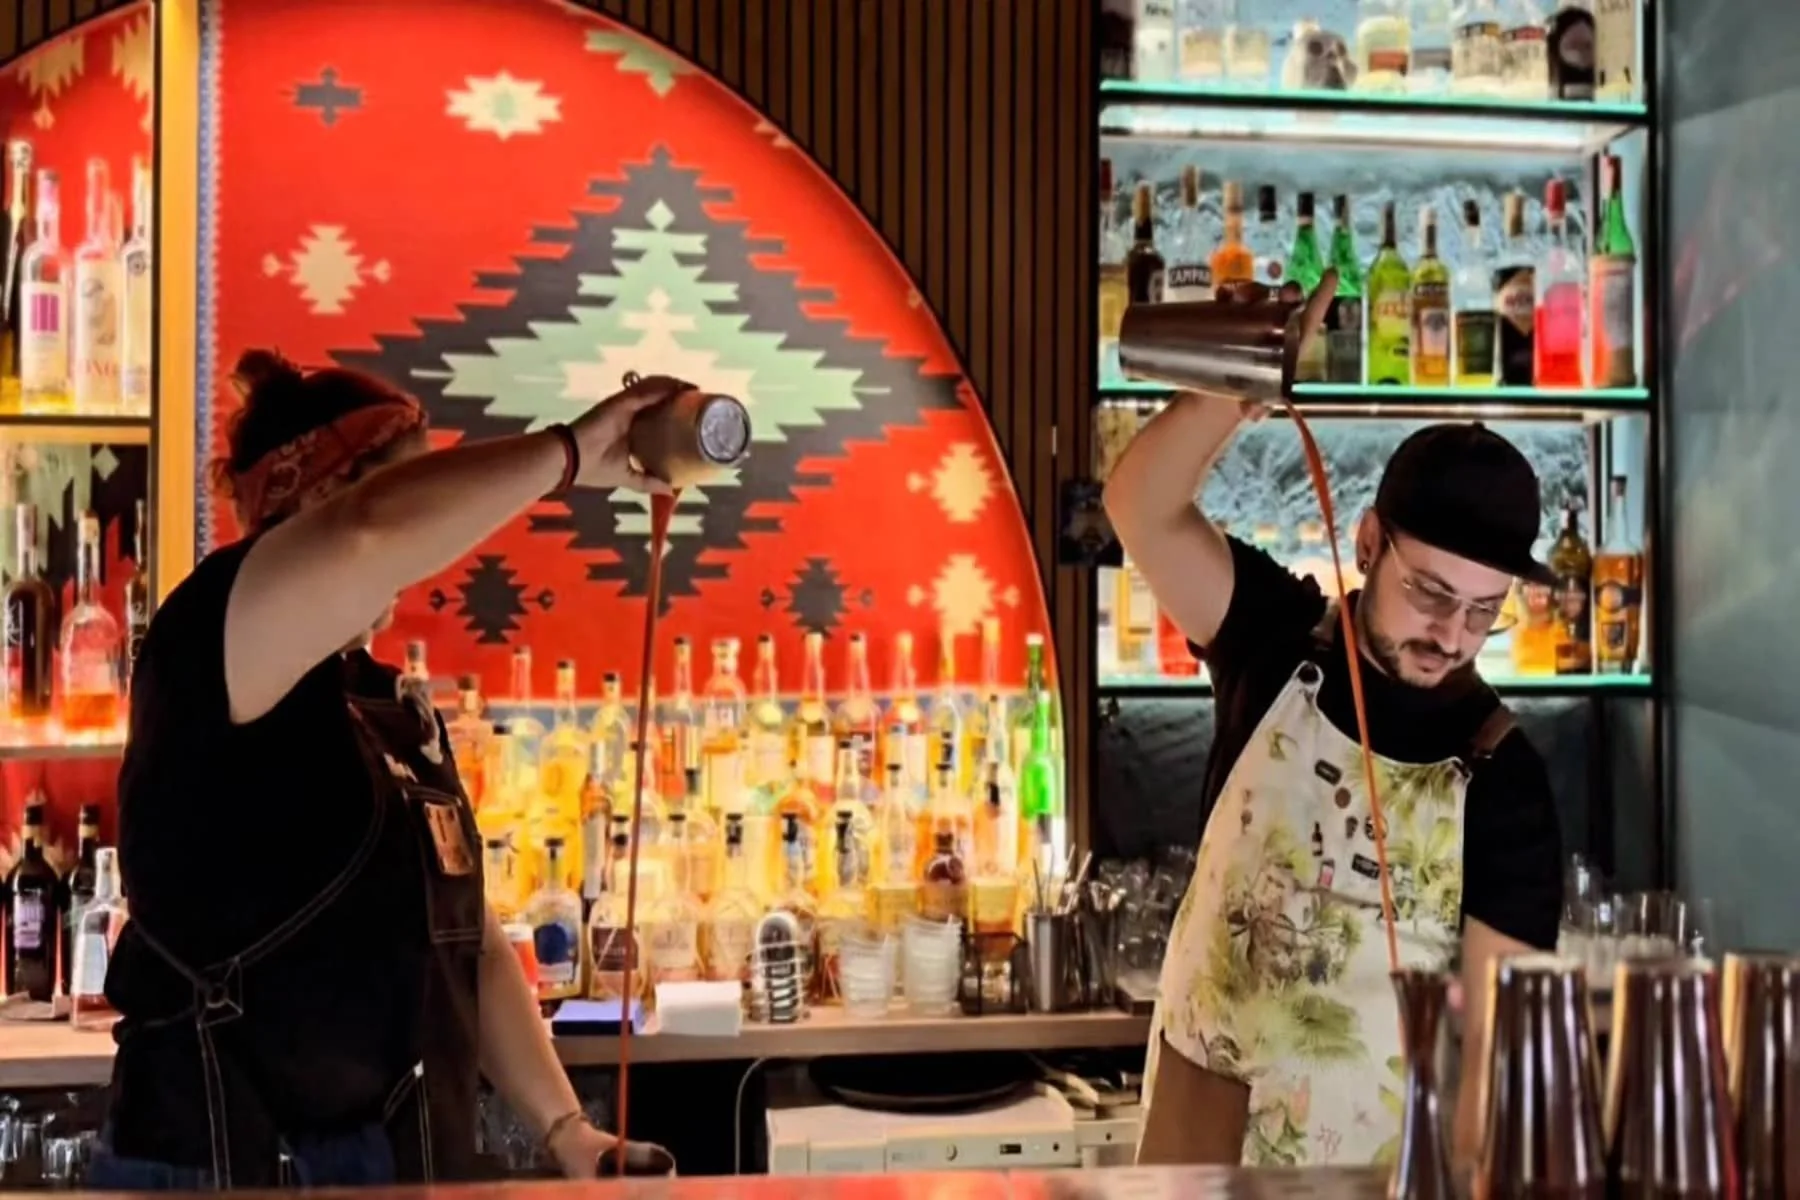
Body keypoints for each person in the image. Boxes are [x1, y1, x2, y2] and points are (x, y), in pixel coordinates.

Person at [93, 351, 685, 1189]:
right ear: (318, 501)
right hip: (224, 1163)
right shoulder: (211, 641)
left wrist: (568, 1131)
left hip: (389, 1167)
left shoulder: (387, 707)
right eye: (418, 492)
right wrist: (570, 454)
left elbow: (468, 946)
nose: (433, 541)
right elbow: (371, 531)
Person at [1106, 375, 1562, 1167]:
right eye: (1429, 590)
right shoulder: (1271, 642)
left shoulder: (1503, 777)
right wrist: (1245, 378)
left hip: (1376, 1175)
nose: (1450, 633)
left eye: (1483, 610)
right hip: (1196, 1147)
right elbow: (1141, 506)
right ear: (1366, 543)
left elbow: (1495, 1067)